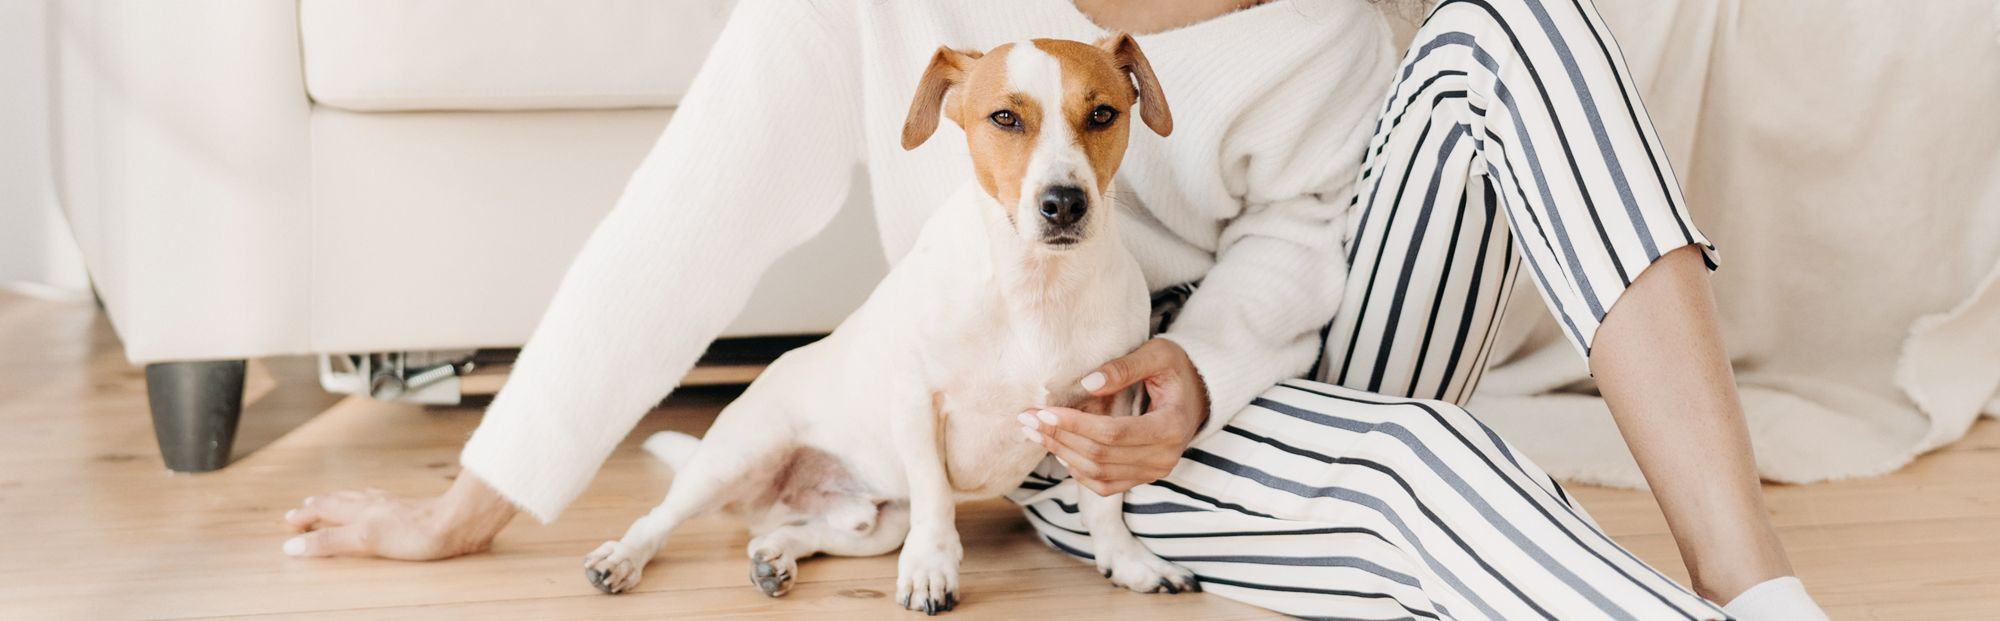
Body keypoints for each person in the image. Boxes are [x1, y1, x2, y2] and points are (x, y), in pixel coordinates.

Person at [280, 1, 1831, 618]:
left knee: (1524, 24)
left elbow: (1318, 223)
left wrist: (1209, 365)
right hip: (1084, 433)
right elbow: (693, 208)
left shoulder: (1314, 21)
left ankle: (1758, 593)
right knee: (1430, 473)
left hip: (1284, 347)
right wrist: (485, 494)